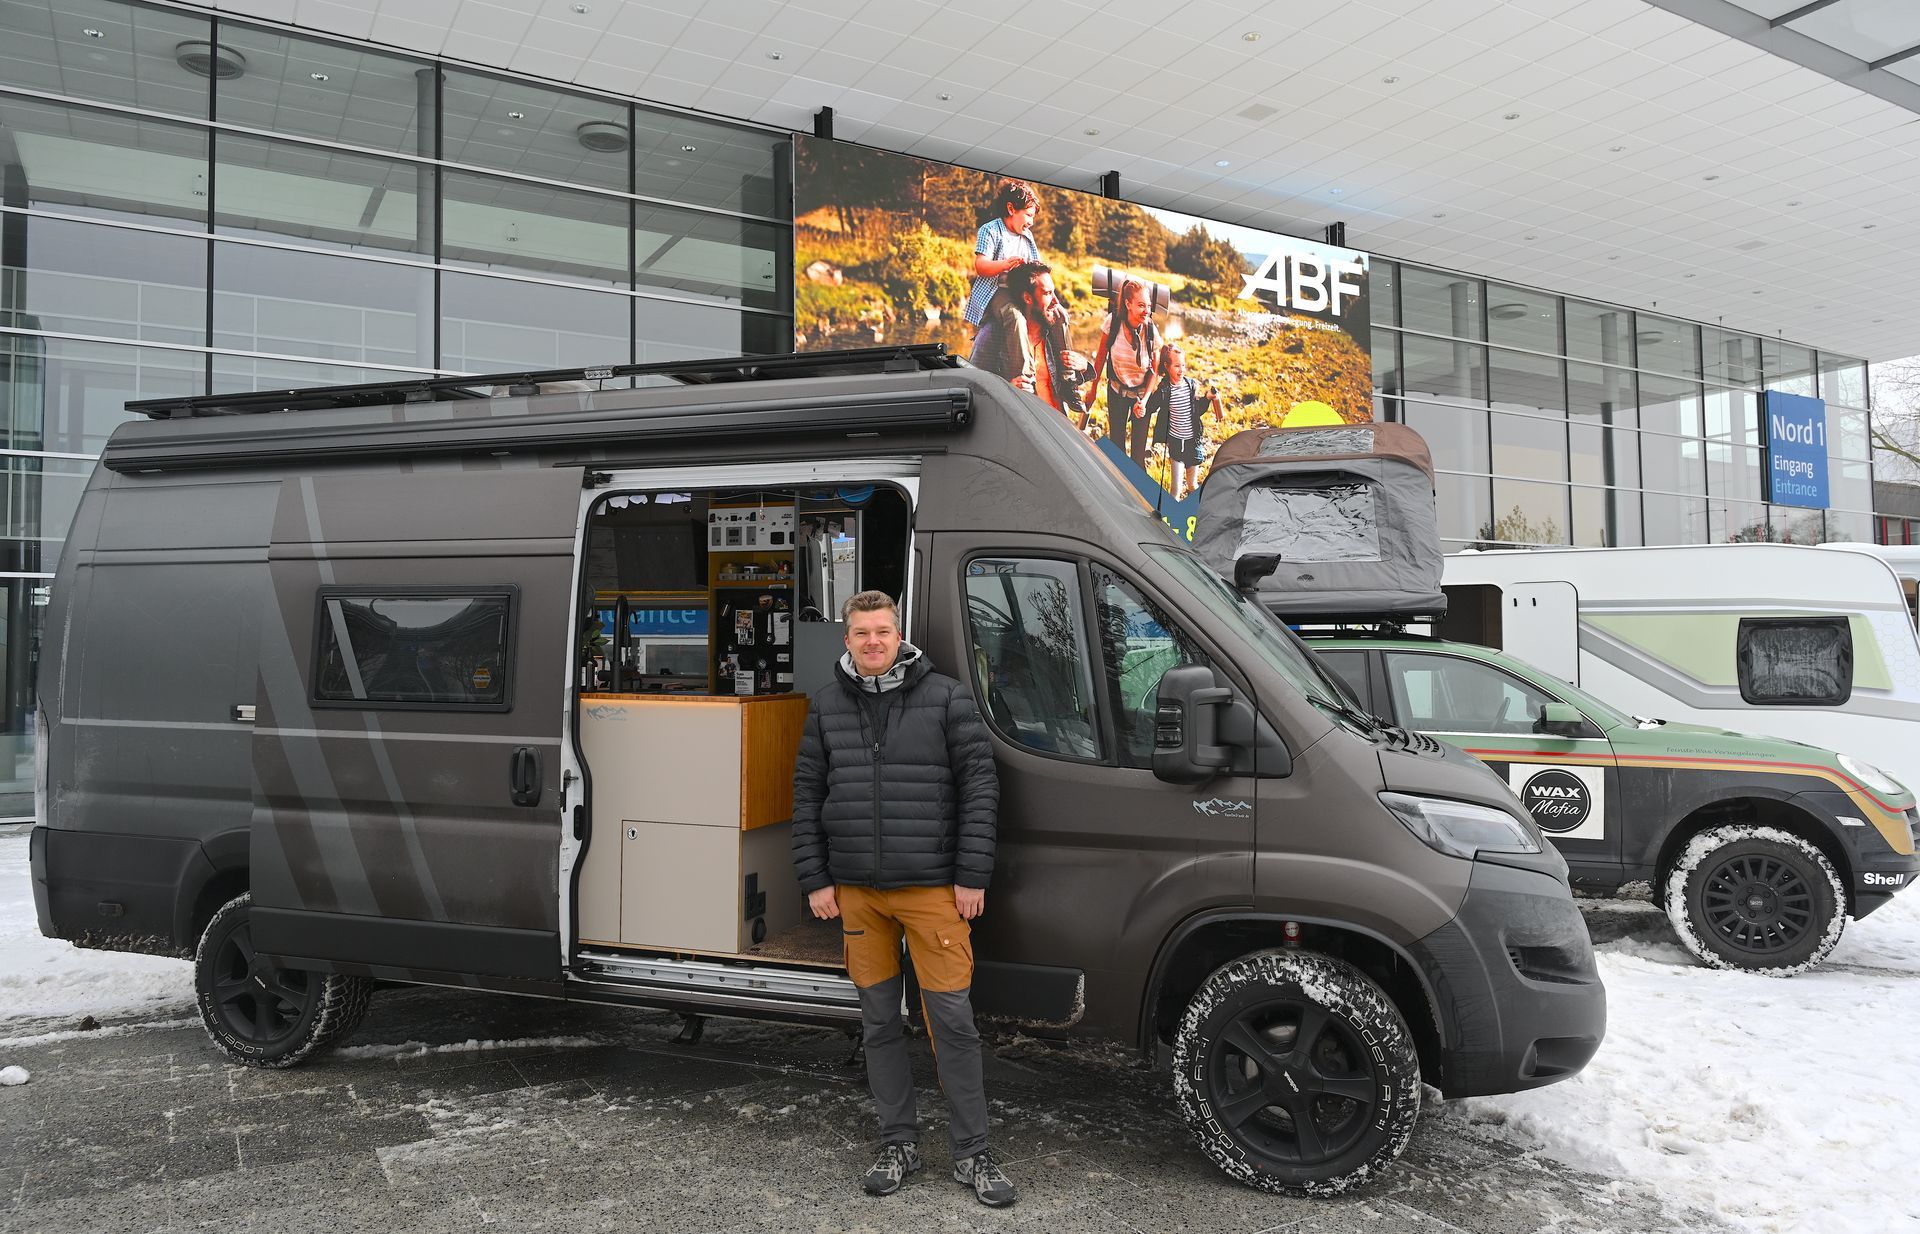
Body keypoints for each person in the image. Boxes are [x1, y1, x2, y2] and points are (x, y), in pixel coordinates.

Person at [790, 591, 1016, 1209]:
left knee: (953, 1024)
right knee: (880, 1024)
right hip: (857, 895)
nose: (872, 642)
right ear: (846, 639)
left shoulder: (946, 698)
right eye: (861, 633)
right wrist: (815, 879)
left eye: (882, 631)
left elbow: (980, 788)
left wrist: (972, 875)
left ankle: (972, 1152)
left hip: (933, 891)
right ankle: (898, 1143)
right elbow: (806, 795)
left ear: (899, 635)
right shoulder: (826, 706)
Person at [968, 261, 1084, 419]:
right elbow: (972, 390)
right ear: (1027, 298)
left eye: (1054, 292)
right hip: (1021, 428)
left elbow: (1067, 385)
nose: (1056, 302)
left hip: (1057, 427)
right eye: (1047, 293)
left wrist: (1083, 366)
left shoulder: (1053, 333)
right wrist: (1007, 390)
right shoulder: (992, 335)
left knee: (1101, 443)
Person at [1086, 278, 1161, 466]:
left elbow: (1154, 371)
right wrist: (1092, 390)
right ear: (1128, 304)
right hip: (1116, 392)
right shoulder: (1113, 323)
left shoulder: (1151, 331)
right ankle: (1116, 484)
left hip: (1141, 396)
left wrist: (1144, 401)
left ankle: (1137, 485)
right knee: (1117, 451)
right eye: (1141, 305)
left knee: (1138, 458)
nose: (1146, 311)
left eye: (1149, 306)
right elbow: (1100, 358)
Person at [963, 180, 1040, 333]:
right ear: (1011, 209)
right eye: (1028, 215)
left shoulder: (1027, 236)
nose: (1031, 222)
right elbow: (981, 266)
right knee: (1015, 318)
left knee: (1059, 315)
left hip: (1022, 291)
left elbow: (1038, 267)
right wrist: (1005, 264)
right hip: (998, 291)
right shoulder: (990, 230)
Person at [1146, 344, 1221, 500]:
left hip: (1192, 443)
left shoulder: (1190, 385)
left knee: (1192, 485)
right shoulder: (1164, 390)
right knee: (1175, 490)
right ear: (1167, 366)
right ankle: (1170, 514)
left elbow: (1197, 410)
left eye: (1183, 365)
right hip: (1176, 444)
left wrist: (1207, 398)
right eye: (1176, 366)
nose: (1181, 370)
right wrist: (1140, 405)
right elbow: (1151, 406)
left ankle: (1200, 510)